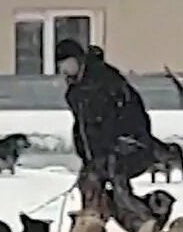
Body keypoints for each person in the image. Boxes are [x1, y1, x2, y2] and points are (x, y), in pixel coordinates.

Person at [55, 39, 154, 185]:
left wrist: (116, 146)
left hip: (124, 149)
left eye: (67, 63)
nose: (63, 69)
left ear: (78, 59)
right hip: (98, 155)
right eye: (60, 65)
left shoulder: (104, 80)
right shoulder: (75, 91)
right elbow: (82, 126)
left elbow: (119, 116)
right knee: (91, 189)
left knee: (118, 193)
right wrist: (85, 153)